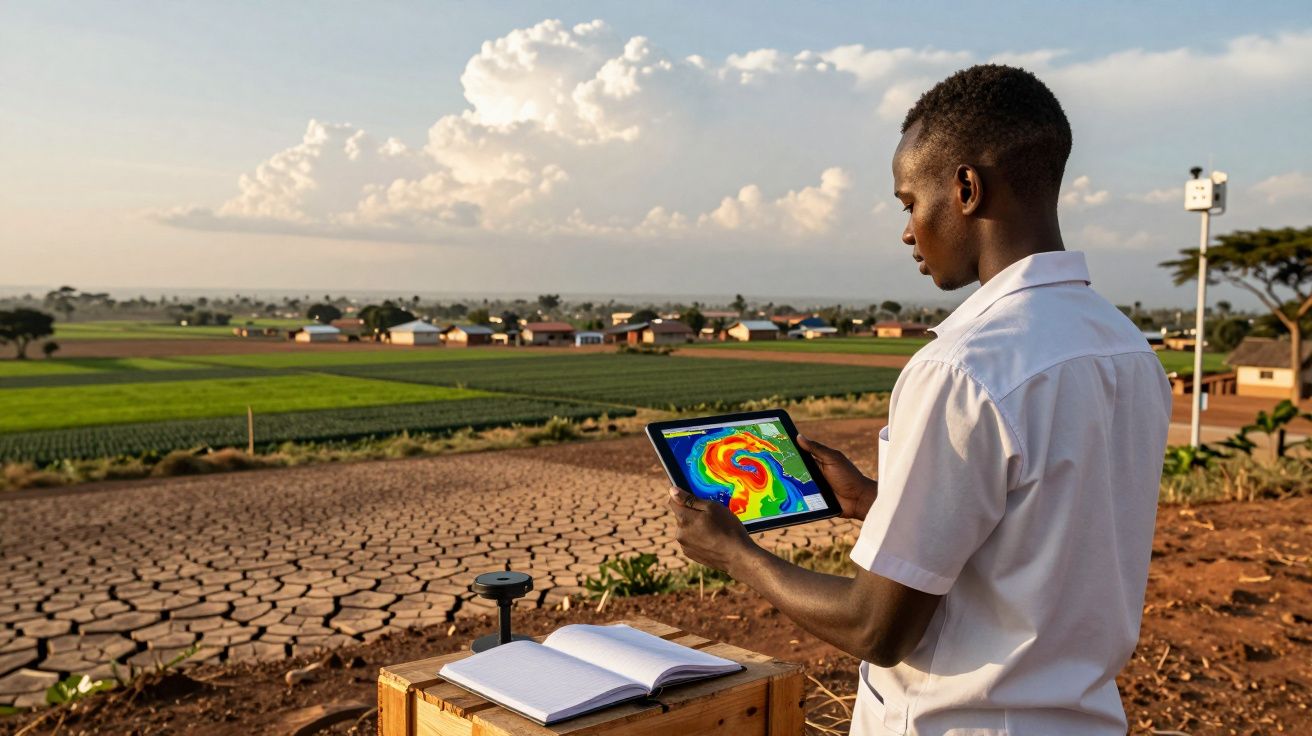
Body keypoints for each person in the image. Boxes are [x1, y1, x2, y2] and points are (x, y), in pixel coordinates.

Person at [666, 64, 1172, 735]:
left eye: (909, 202)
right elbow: (1033, 538)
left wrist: (735, 552)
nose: (908, 231)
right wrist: (873, 503)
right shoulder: (1127, 349)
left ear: (965, 188)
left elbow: (877, 628)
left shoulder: (961, 367)